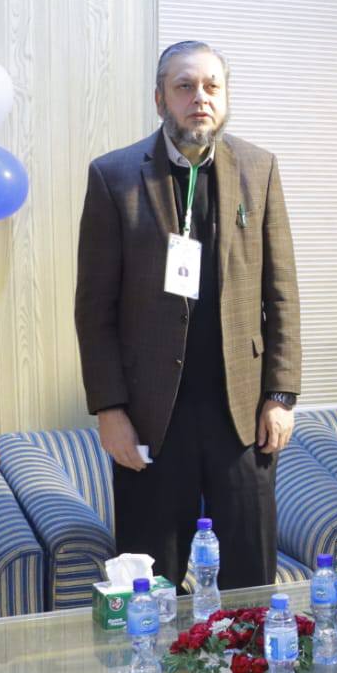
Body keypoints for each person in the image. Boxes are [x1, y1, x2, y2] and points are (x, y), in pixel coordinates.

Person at [76, 40, 300, 589]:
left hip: (241, 411)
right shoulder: (114, 176)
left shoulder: (259, 168)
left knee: (250, 575)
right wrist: (109, 410)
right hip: (151, 413)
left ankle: (249, 649)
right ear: (160, 99)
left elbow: (281, 293)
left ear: (225, 98)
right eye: (184, 87)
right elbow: (94, 308)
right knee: (148, 576)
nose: (200, 98)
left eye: (211, 86)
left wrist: (280, 395)